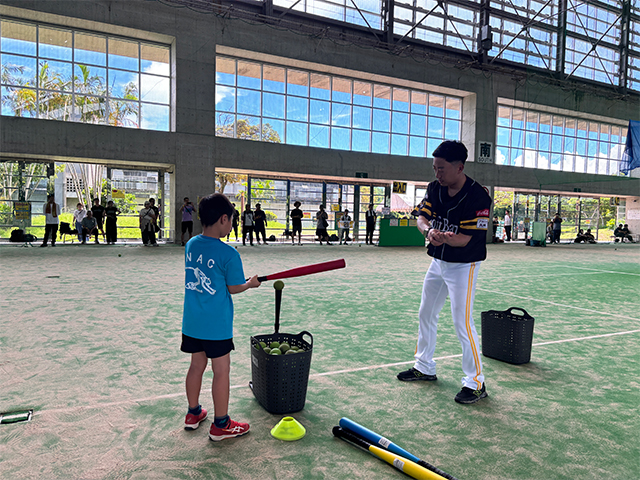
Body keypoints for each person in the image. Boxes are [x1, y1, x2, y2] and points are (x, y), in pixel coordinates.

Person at [397, 140, 491, 405]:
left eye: (442, 168)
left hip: (464, 265)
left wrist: (445, 238)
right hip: (438, 261)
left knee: (462, 322)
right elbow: (421, 218)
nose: (437, 173)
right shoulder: (434, 188)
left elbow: (466, 239)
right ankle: (424, 366)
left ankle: (476, 383)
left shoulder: (478, 196)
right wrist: (429, 232)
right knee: (426, 312)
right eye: (434, 168)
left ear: (459, 167)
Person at [181, 193, 260, 441]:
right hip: (216, 325)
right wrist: (250, 284)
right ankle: (221, 424)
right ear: (223, 219)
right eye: (231, 221)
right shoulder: (229, 254)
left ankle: (193, 413)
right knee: (221, 370)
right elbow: (234, 287)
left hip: (192, 322)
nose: (231, 226)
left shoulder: (191, 244)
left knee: (196, 366)